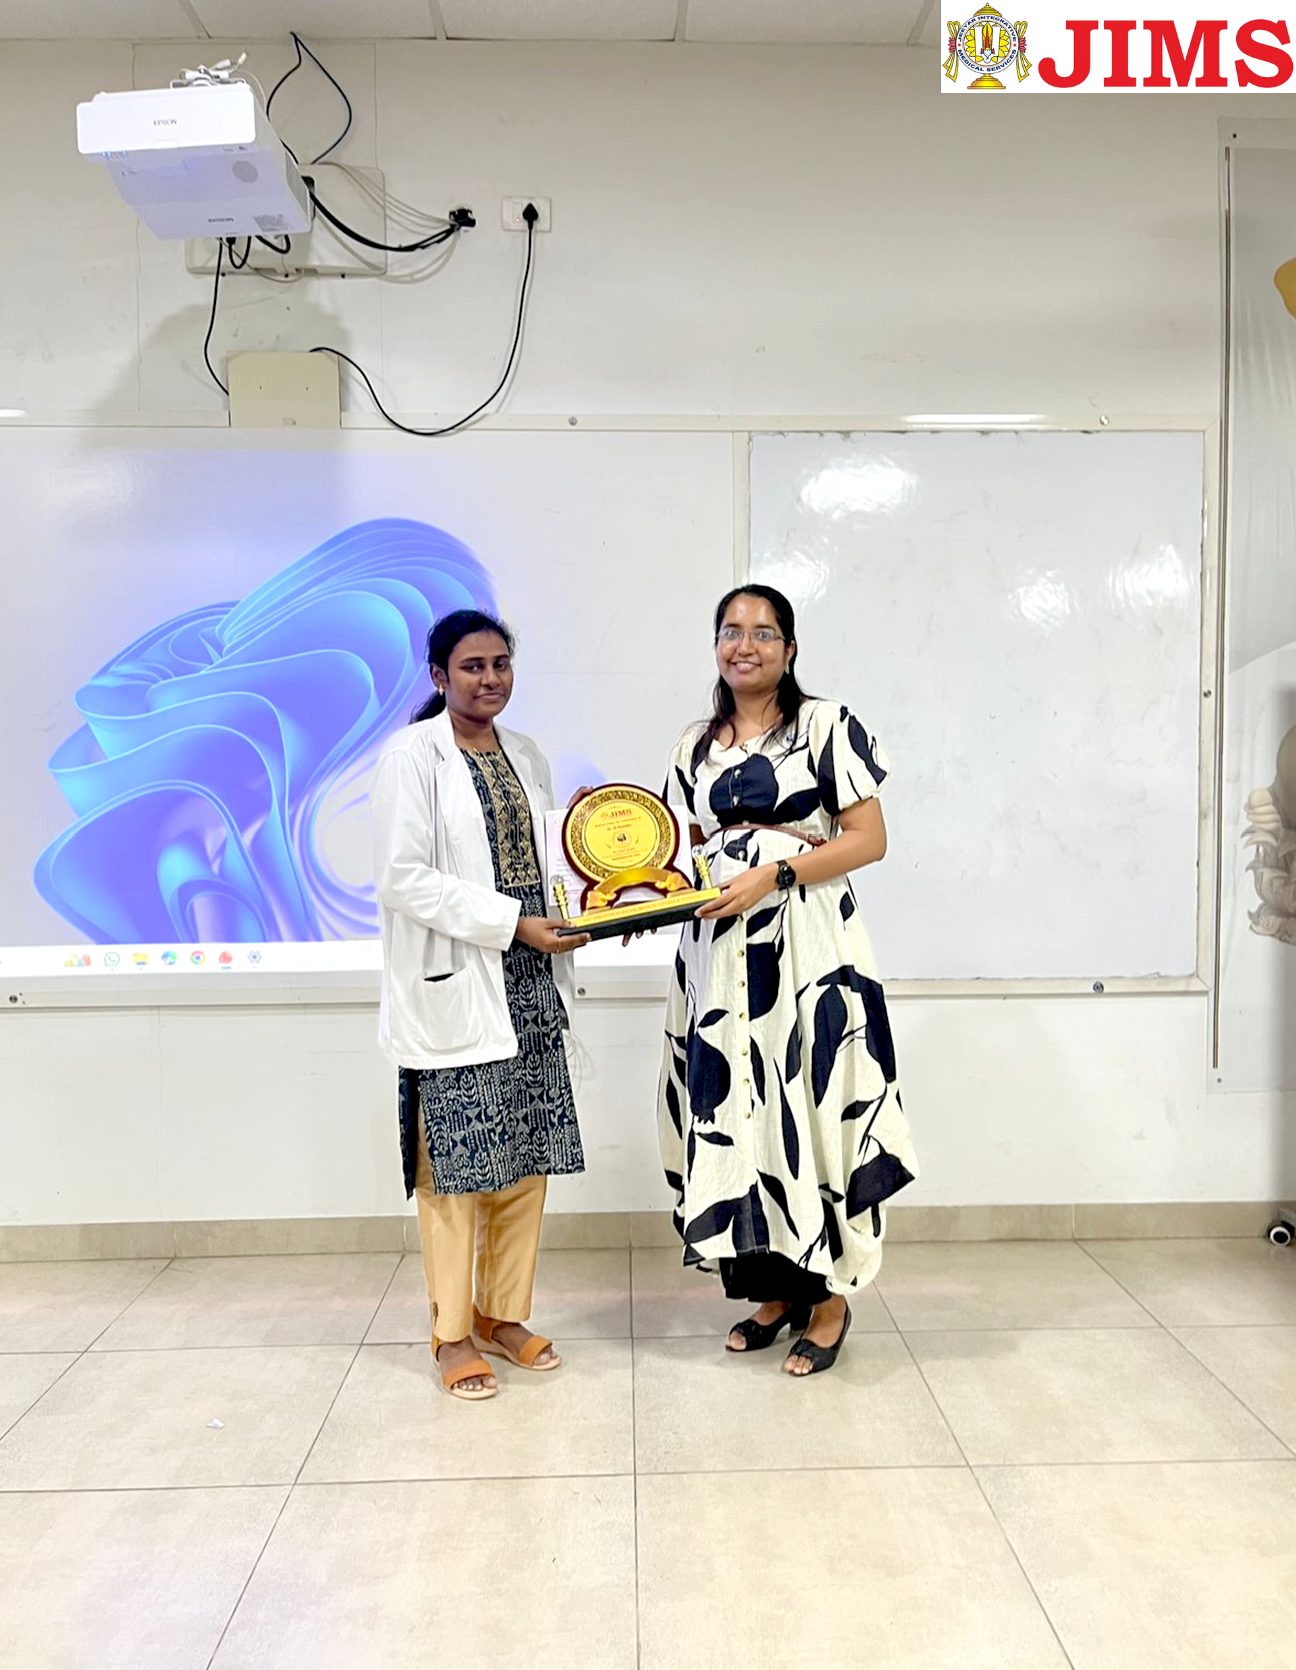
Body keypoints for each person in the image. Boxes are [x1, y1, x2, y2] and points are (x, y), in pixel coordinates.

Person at [657, 584, 918, 1376]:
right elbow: (680, 853)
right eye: (732, 631)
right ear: (716, 645)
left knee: (808, 1102)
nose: (746, 645)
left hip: (806, 948)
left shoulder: (826, 725)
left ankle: (829, 1299)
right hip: (717, 954)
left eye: (764, 632)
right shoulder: (693, 744)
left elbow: (867, 839)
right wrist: (625, 890)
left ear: (790, 648)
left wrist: (773, 875)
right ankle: (773, 1292)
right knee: (738, 1111)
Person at [370, 608, 589, 1402]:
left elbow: (552, 860)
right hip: (458, 985)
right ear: (439, 676)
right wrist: (510, 924)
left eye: (500, 664)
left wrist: (590, 907)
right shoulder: (411, 757)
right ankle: (453, 1333)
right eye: (472, 666)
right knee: (457, 1171)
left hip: (530, 984)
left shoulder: (525, 754)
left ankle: (503, 1316)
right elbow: (403, 879)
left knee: (524, 1163)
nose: (489, 678)